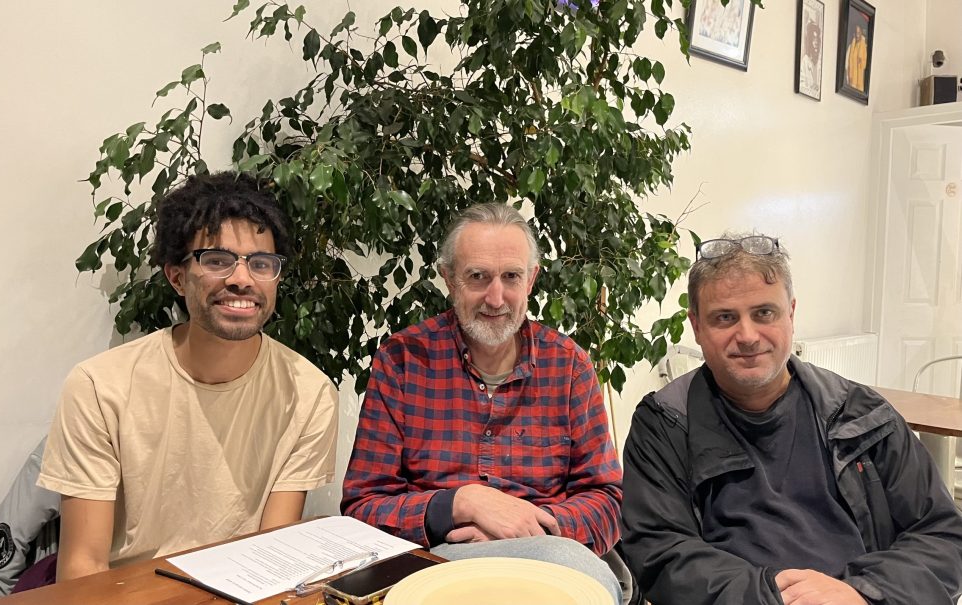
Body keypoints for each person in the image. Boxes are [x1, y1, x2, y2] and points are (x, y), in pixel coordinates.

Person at [621, 233, 962, 605]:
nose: (748, 336)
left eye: (764, 313)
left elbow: (944, 537)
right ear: (697, 327)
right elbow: (660, 553)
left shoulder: (864, 415)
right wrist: (780, 597)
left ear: (792, 315)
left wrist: (860, 592)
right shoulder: (666, 423)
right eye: (725, 318)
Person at [38, 172, 338, 580]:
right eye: (217, 260)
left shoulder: (308, 393)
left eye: (261, 263)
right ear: (177, 276)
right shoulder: (98, 387)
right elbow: (84, 569)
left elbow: (273, 557)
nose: (242, 279)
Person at [341, 203, 624, 601]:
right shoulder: (402, 361)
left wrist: (528, 527)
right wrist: (459, 504)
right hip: (437, 560)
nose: (495, 297)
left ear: (531, 280)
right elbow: (362, 505)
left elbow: (606, 500)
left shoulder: (570, 366)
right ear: (449, 279)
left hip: (551, 560)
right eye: (478, 276)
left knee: (577, 573)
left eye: (511, 276)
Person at [846, 24, 868, 92]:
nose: (857, 35)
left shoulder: (864, 46)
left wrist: (861, 61)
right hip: (851, 78)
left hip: (859, 80)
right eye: (856, 33)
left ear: (861, 32)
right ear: (854, 34)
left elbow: (865, 64)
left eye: (859, 33)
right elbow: (847, 62)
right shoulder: (851, 46)